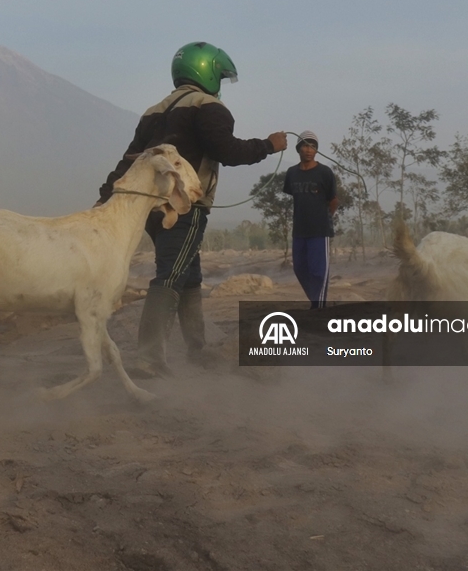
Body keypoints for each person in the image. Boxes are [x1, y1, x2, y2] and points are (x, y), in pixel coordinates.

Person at [96, 41, 287, 377]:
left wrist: (104, 195)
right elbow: (227, 150)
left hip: (149, 210)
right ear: (209, 71)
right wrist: (269, 146)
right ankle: (149, 358)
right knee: (171, 274)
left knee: (189, 274)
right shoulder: (208, 106)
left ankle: (197, 349)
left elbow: (130, 161)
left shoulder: (155, 111)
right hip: (182, 206)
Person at [282, 131, 338, 308]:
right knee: (300, 268)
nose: (309, 150)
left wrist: (324, 218)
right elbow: (293, 195)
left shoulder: (325, 172)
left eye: (313, 146)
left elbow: (333, 200)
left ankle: (319, 306)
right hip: (299, 230)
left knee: (318, 272)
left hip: (319, 231)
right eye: (305, 146)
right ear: (298, 148)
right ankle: (315, 301)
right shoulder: (292, 173)